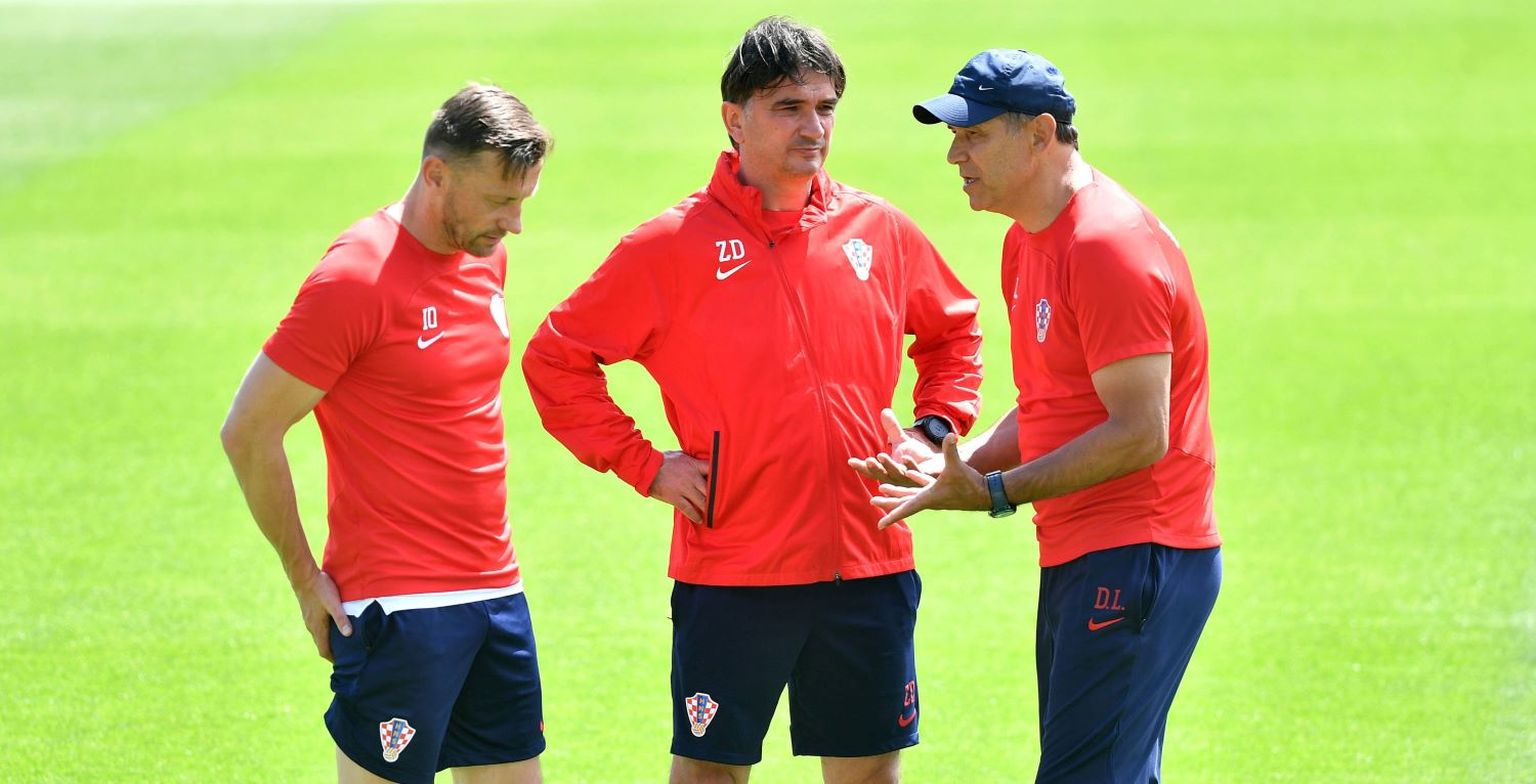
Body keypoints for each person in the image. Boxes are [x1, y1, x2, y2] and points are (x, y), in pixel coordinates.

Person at [520, 17, 982, 784]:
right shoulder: (670, 246)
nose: (814, 127)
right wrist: (645, 466)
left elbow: (952, 332)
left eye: (825, 107)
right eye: (788, 108)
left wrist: (932, 432)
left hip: (868, 558)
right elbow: (556, 360)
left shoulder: (879, 229)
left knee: (870, 773)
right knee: (710, 774)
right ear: (734, 119)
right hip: (734, 570)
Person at [857, 49, 1222, 783]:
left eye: (975, 135)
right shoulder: (1027, 243)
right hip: (1084, 552)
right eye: (954, 136)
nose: (955, 155)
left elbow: (1140, 432)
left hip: (1139, 551)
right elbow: (1054, 406)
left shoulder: (1106, 246)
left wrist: (995, 492)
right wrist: (953, 462)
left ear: (1040, 134)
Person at [220, 84, 550, 784]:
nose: (515, 223)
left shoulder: (485, 253)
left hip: (496, 593)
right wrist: (305, 579)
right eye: (500, 201)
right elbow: (249, 431)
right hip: (399, 608)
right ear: (436, 175)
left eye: (523, 200)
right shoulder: (355, 278)